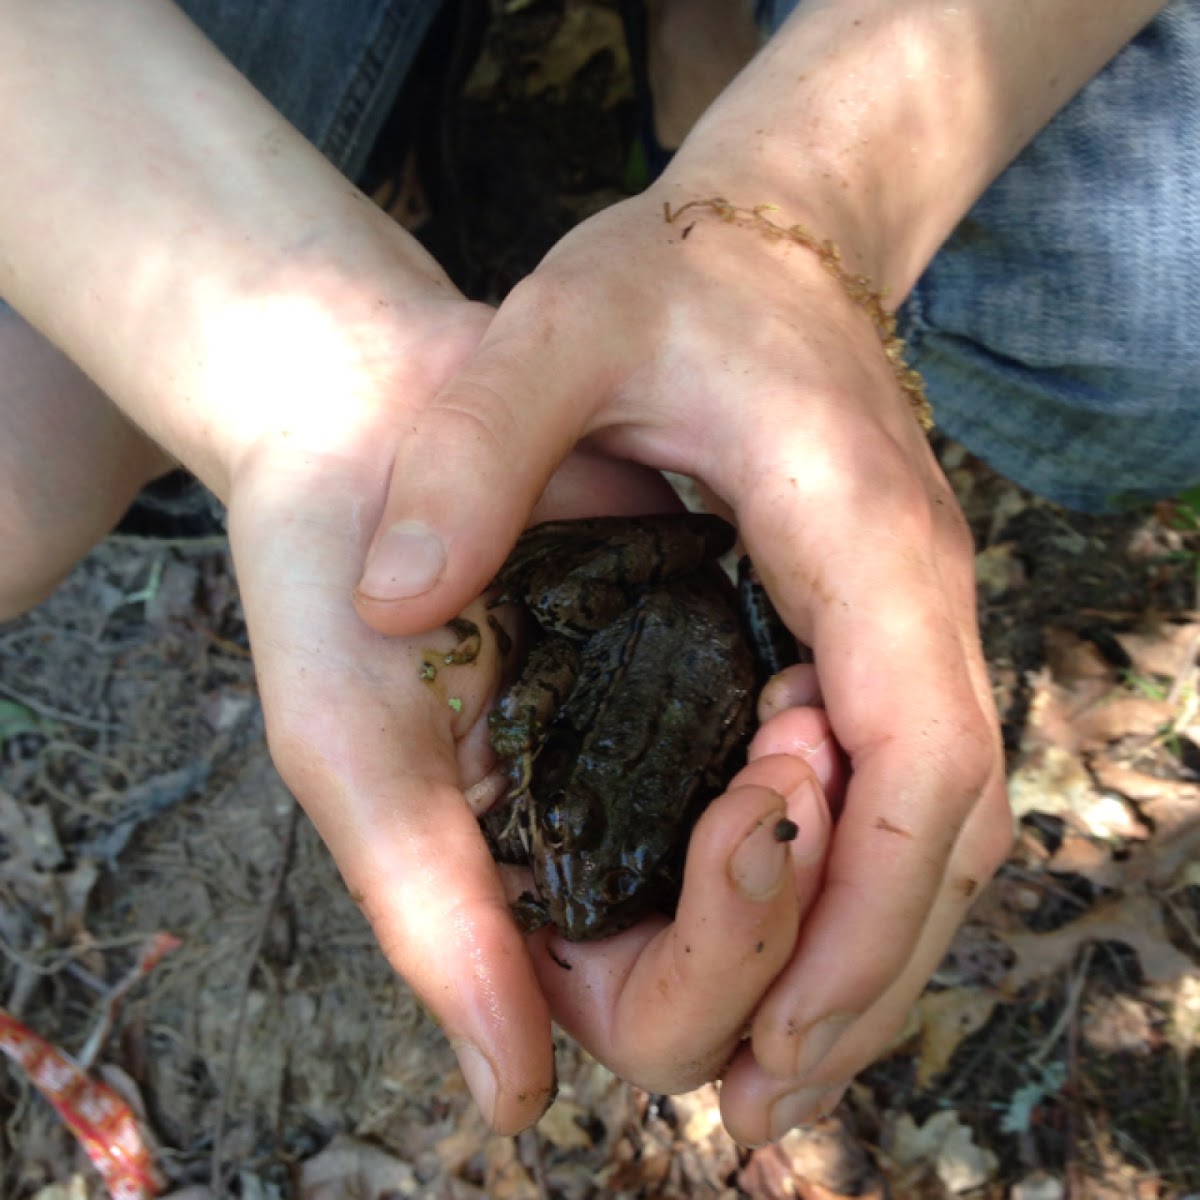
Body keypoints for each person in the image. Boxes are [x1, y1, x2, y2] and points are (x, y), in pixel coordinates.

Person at [0, 0, 1194, 1148]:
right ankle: (378, 164)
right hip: (667, 626)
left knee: (1144, 321)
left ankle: (697, 37)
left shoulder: (566, 790)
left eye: (597, 865)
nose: (574, 887)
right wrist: (306, 369)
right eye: (596, 863)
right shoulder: (580, 821)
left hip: (664, 628)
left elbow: (545, 702)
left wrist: (797, 211)